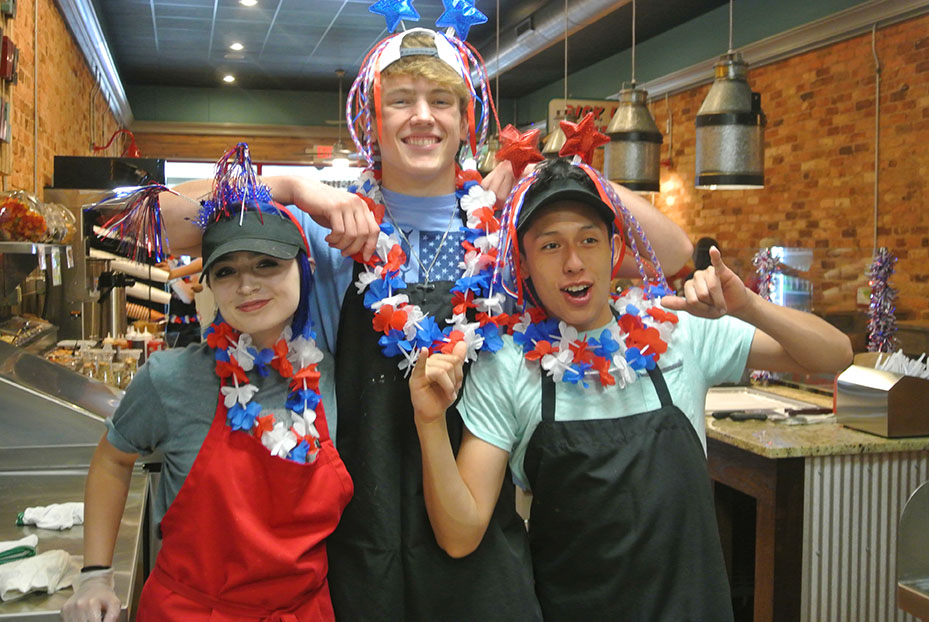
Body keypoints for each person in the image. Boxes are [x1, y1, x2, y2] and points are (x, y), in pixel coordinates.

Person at [157, 27, 693, 620]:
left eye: (440, 102)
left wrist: (564, 178)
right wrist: (287, 186)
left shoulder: (508, 229)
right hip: (362, 553)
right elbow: (155, 224)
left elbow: (670, 253)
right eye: (401, 100)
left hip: (483, 544)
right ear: (372, 120)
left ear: (466, 122)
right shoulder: (333, 230)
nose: (422, 118)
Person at [409, 157, 853, 621]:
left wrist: (749, 306)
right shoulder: (508, 366)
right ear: (522, 262)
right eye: (550, 246)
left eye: (588, 240)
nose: (574, 262)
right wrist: (429, 422)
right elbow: (460, 536)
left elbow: (834, 355)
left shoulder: (679, 331)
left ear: (615, 249)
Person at [61, 161, 352, 621]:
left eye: (267, 264)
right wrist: (95, 574)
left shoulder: (332, 376)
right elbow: (114, 459)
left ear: (304, 268)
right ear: (210, 285)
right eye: (226, 271)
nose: (247, 284)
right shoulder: (170, 377)